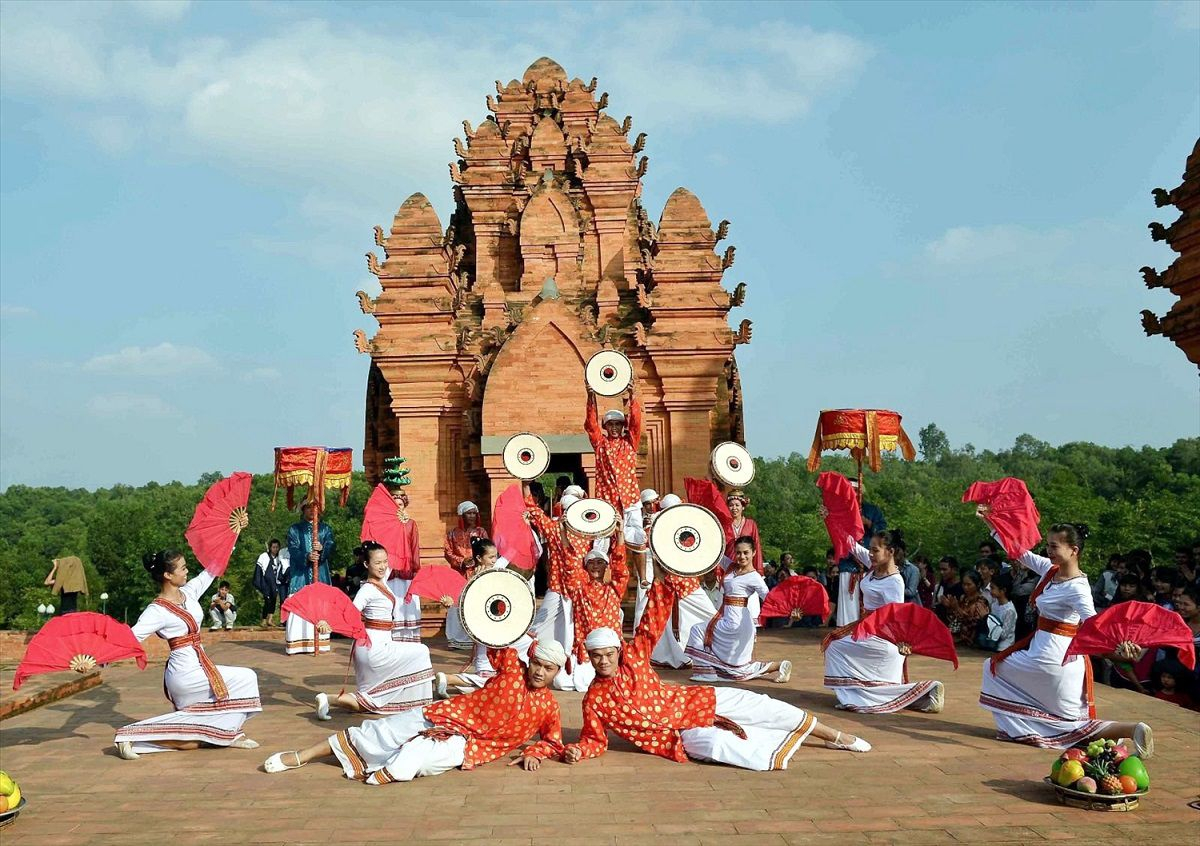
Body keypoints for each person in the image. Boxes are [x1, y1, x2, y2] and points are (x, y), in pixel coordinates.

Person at [561, 572, 870, 772]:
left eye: (607, 654)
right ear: (589, 656)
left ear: (618, 651)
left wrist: (666, 571)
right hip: (676, 736)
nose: (603, 661)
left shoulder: (634, 659)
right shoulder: (594, 701)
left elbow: (650, 622)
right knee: (718, 745)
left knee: (762, 704)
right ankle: (775, 747)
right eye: (596, 656)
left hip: (695, 700)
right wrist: (577, 750)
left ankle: (835, 736)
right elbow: (594, 740)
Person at [265, 640, 569, 782]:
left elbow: (554, 740)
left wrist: (535, 753)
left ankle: (387, 767)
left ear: (557, 671)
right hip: (444, 714)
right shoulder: (512, 669)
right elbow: (494, 635)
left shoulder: (549, 708)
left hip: (470, 747)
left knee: (415, 762)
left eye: (549, 668)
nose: (540, 672)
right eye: (538, 664)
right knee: (376, 734)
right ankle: (303, 756)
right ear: (531, 662)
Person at [977, 520, 1154, 753]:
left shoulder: (1078, 587)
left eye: (1054, 547)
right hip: (1048, 654)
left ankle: (1131, 729)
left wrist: (1120, 643)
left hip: (1053, 657)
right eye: (1048, 546)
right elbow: (1019, 552)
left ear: (1074, 550)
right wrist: (991, 522)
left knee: (995, 670)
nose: (1049, 551)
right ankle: (1131, 729)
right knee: (1068, 726)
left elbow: (1093, 623)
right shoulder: (1050, 570)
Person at [113, 550, 261, 759]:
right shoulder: (157, 610)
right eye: (182, 568)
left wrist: (232, 535)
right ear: (168, 575)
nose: (187, 571)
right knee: (246, 678)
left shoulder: (189, 592)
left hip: (199, 665)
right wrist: (98, 660)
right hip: (184, 674)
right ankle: (129, 734)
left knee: (192, 740)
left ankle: (224, 734)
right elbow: (131, 638)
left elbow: (211, 571)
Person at [822, 529, 945, 714]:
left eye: (875, 550)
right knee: (835, 645)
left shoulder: (895, 582)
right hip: (867, 629)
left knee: (835, 647)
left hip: (883, 636)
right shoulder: (873, 566)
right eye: (870, 550)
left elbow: (897, 617)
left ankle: (926, 689)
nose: (870, 553)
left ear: (891, 551)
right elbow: (850, 544)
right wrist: (831, 519)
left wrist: (902, 642)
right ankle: (854, 696)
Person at [311, 542, 434, 719]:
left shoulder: (383, 581)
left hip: (380, 643)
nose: (383, 566)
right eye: (378, 563)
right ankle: (422, 707)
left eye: (385, 561)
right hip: (373, 648)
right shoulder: (367, 589)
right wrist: (329, 624)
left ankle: (327, 699)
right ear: (367, 565)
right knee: (421, 651)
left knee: (371, 700)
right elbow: (351, 612)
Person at [685, 536, 791, 683]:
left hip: (737, 623)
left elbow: (769, 599)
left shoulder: (754, 577)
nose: (742, 556)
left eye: (746, 552)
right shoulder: (732, 567)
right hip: (727, 618)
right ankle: (780, 665)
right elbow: (716, 556)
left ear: (754, 552)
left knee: (698, 630)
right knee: (737, 670)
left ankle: (707, 672)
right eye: (738, 553)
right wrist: (699, 535)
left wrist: (790, 612)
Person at [523, 489, 588, 683]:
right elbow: (535, 511)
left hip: (580, 589)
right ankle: (529, 656)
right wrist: (526, 484)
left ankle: (575, 666)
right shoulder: (555, 529)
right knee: (539, 627)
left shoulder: (586, 531)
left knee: (580, 630)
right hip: (559, 587)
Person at [584, 378, 643, 538]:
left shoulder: (630, 442)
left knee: (637, 539)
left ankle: (642, 564)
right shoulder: (600, 444)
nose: (615, 427)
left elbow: (636, 423)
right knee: (603, 541)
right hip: (606, 500)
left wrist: (633, 396)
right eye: (611, 424)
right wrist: (591, 397)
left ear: (623, 426)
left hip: (630, 498)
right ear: (605, 426)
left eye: (618, 424)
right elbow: (591, 425)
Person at [285, 499, 335, 654]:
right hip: (300, 573)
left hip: (320, 572)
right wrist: (306, 556)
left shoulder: (325, 529)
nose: (311, 511)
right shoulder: (294, 529)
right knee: (300, 603)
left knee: (320, 602)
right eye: (308, 508)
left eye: (314, 508)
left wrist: (322, 549)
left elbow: (331, 544)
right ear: (303, 510)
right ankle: (298, 643)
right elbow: (292, 549)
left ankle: (321, 641)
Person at [381, 484, 423, 643]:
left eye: (399, 504)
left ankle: (409, 637)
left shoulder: (411, 524)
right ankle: (393, 638)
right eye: (393, 504)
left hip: (407, 570)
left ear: (404, 504)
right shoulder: (384, 524)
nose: (397, 507)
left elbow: (414, 547)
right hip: (390, 570)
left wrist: (415, 569)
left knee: (407, 602)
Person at [945, 570, 991, 647]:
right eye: (964, 584)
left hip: (972, 641)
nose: (965, 587)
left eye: (969, 584)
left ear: (978, 584)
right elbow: (955, 619)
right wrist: (950, 607)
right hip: (958, 637)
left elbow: (974, 622)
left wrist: (957, 608)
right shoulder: (963, 598)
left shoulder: (981, 601)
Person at [724, 491, 763, 575]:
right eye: (731, 505)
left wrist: (759, 570)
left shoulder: (751, 524)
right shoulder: (723, 524)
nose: (734, 508)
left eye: (737, 505)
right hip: (727, 569)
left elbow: (756, 546)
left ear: (743, 507)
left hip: (747, 569)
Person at [253, 539, 289, 627]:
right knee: (267, 600)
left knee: (273, 599)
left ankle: (270, 619)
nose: (275, 549)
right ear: (270, 547)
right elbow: (258, 570)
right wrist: (259, 583)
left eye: (277, 547)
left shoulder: (279, 558)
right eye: (273, 547)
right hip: (266, 582)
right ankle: (264, 619)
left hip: (275, 582)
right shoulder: (264, 556)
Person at [980, 572, 1017, 652]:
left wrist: (987, 617)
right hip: (993, 645)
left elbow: (1004, 635)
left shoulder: (1009, 610)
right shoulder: (994, 605)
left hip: (1004, 647)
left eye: (993, 588)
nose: (990, 590)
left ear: (1003, 590)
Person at [932, 556, 963, 624]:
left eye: (945, 569)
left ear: (954, 570)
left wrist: (951, 606)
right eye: (940, 569)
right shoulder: (941, 585)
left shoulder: (962, 587)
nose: (941, 572)